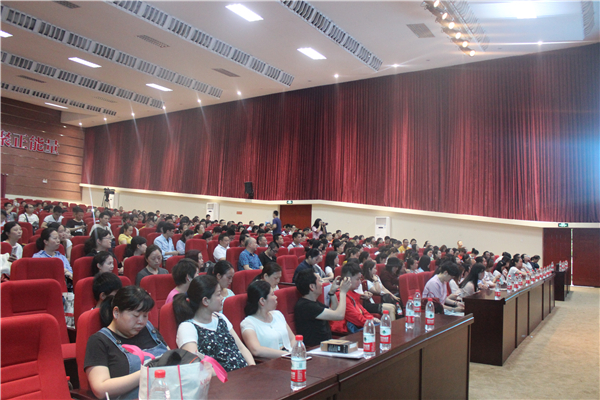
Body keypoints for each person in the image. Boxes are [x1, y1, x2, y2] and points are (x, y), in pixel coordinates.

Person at [84, 286, 168, 399]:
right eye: (136, 316)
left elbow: (169, 356)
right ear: (116, 312)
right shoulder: (99, 341)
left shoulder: (148, 329)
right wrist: (146, 373)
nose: (141, 321)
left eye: (145, 315)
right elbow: (100, 389)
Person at [174, 275, 255, 371]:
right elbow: (195, 365)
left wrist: (252, 369)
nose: (222, 298)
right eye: (218, 295)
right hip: (221, 378)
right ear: (205, 301)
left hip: (243, 373)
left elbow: (241, 348)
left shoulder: (221, 317)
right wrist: (226, 376)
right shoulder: (187, 327)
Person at [294, 269, 352, 347]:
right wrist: (343, 292)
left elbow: (333, 311)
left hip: (326, 345)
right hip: (315, 348)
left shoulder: (313, 302)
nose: (322, 284)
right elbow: (339, 316)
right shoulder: (305, 306)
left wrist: (332, 293)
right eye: (320, 281)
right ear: (312, 287)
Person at [241, 281, 296, 358]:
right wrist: (286, 355)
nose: (276, 297)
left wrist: (295, 352)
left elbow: (292, 338)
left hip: (291, 358)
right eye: (272, 294)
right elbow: (256, 350)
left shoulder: (278, 314)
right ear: (262, 301)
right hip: (272, 362)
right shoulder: (248, 323)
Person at [330, 262, 380, 334]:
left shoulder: (352, 293)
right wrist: (370, 322)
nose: (360, 282)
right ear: (347, 279)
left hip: (357, 325)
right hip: (347, 331)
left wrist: (371, 318)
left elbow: (362, 310)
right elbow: (356, 318)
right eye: (357, 279)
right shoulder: (341, 295)